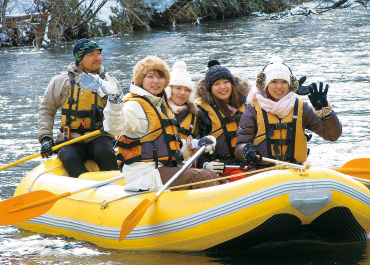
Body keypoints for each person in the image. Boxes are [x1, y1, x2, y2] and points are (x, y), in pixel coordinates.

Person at [102, 55, 221, 191]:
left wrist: (193, 144)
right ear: (141, 80)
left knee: (210, 174)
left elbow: (164, 143)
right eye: (150, 76)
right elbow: (114, 127)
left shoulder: (158, 105)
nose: (156, 81)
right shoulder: (134, 106)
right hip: (145, 175)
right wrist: (114, 102)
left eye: (160, 77)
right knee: (203, 177)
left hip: (162, 168)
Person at [234, 56, 342, 168]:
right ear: (265, 85)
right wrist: (246, 150)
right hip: (262, 172)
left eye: (284, 82)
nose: (279, 86)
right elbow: (240, 146)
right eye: (274, 81)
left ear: (290, 85)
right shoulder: (253, 109)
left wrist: (325, 112)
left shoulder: (301, 107)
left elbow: (332, 135)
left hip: (296, 170)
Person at [38, 38, 122, 178]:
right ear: (80, 59)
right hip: (70, 139)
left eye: (98, 54)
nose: (98, 58)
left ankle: (115, 185)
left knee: (105, 152)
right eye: (91, 55)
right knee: (69, 158)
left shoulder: (109, 82)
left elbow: (121, 111)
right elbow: (47, 110)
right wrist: (46, 138)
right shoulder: (61, 82)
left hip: (100, 136)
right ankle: (83, 189)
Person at [195, 60, 251, 180]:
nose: (222, 87)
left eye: (226, 82)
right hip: (221, 166)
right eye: (216, 84)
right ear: (210, 88)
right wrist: (205, 164)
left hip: (247, 161)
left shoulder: (247, 104)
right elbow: (198, 145)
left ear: (232, 84)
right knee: (240, 177)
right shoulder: (202, 112)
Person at [165, 60, 199, 160]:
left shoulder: (195, 115)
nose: (182, 93)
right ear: (169, 90)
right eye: (178, 88)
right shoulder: (158, 111)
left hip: (187, 163)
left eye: (187, 90)